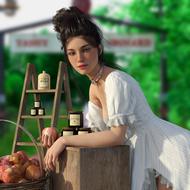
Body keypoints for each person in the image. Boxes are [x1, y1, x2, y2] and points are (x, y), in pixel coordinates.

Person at [43, 6, 190, 190]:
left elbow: (116, 136)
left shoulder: (115, 80)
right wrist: (57, 133)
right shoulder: (94, 87)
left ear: (99, 48)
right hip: (144, 151)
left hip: (166, 152)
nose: (79, 58)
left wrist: (64, 141)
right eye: (72, 53)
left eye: (85, 49)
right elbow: (96, 134)